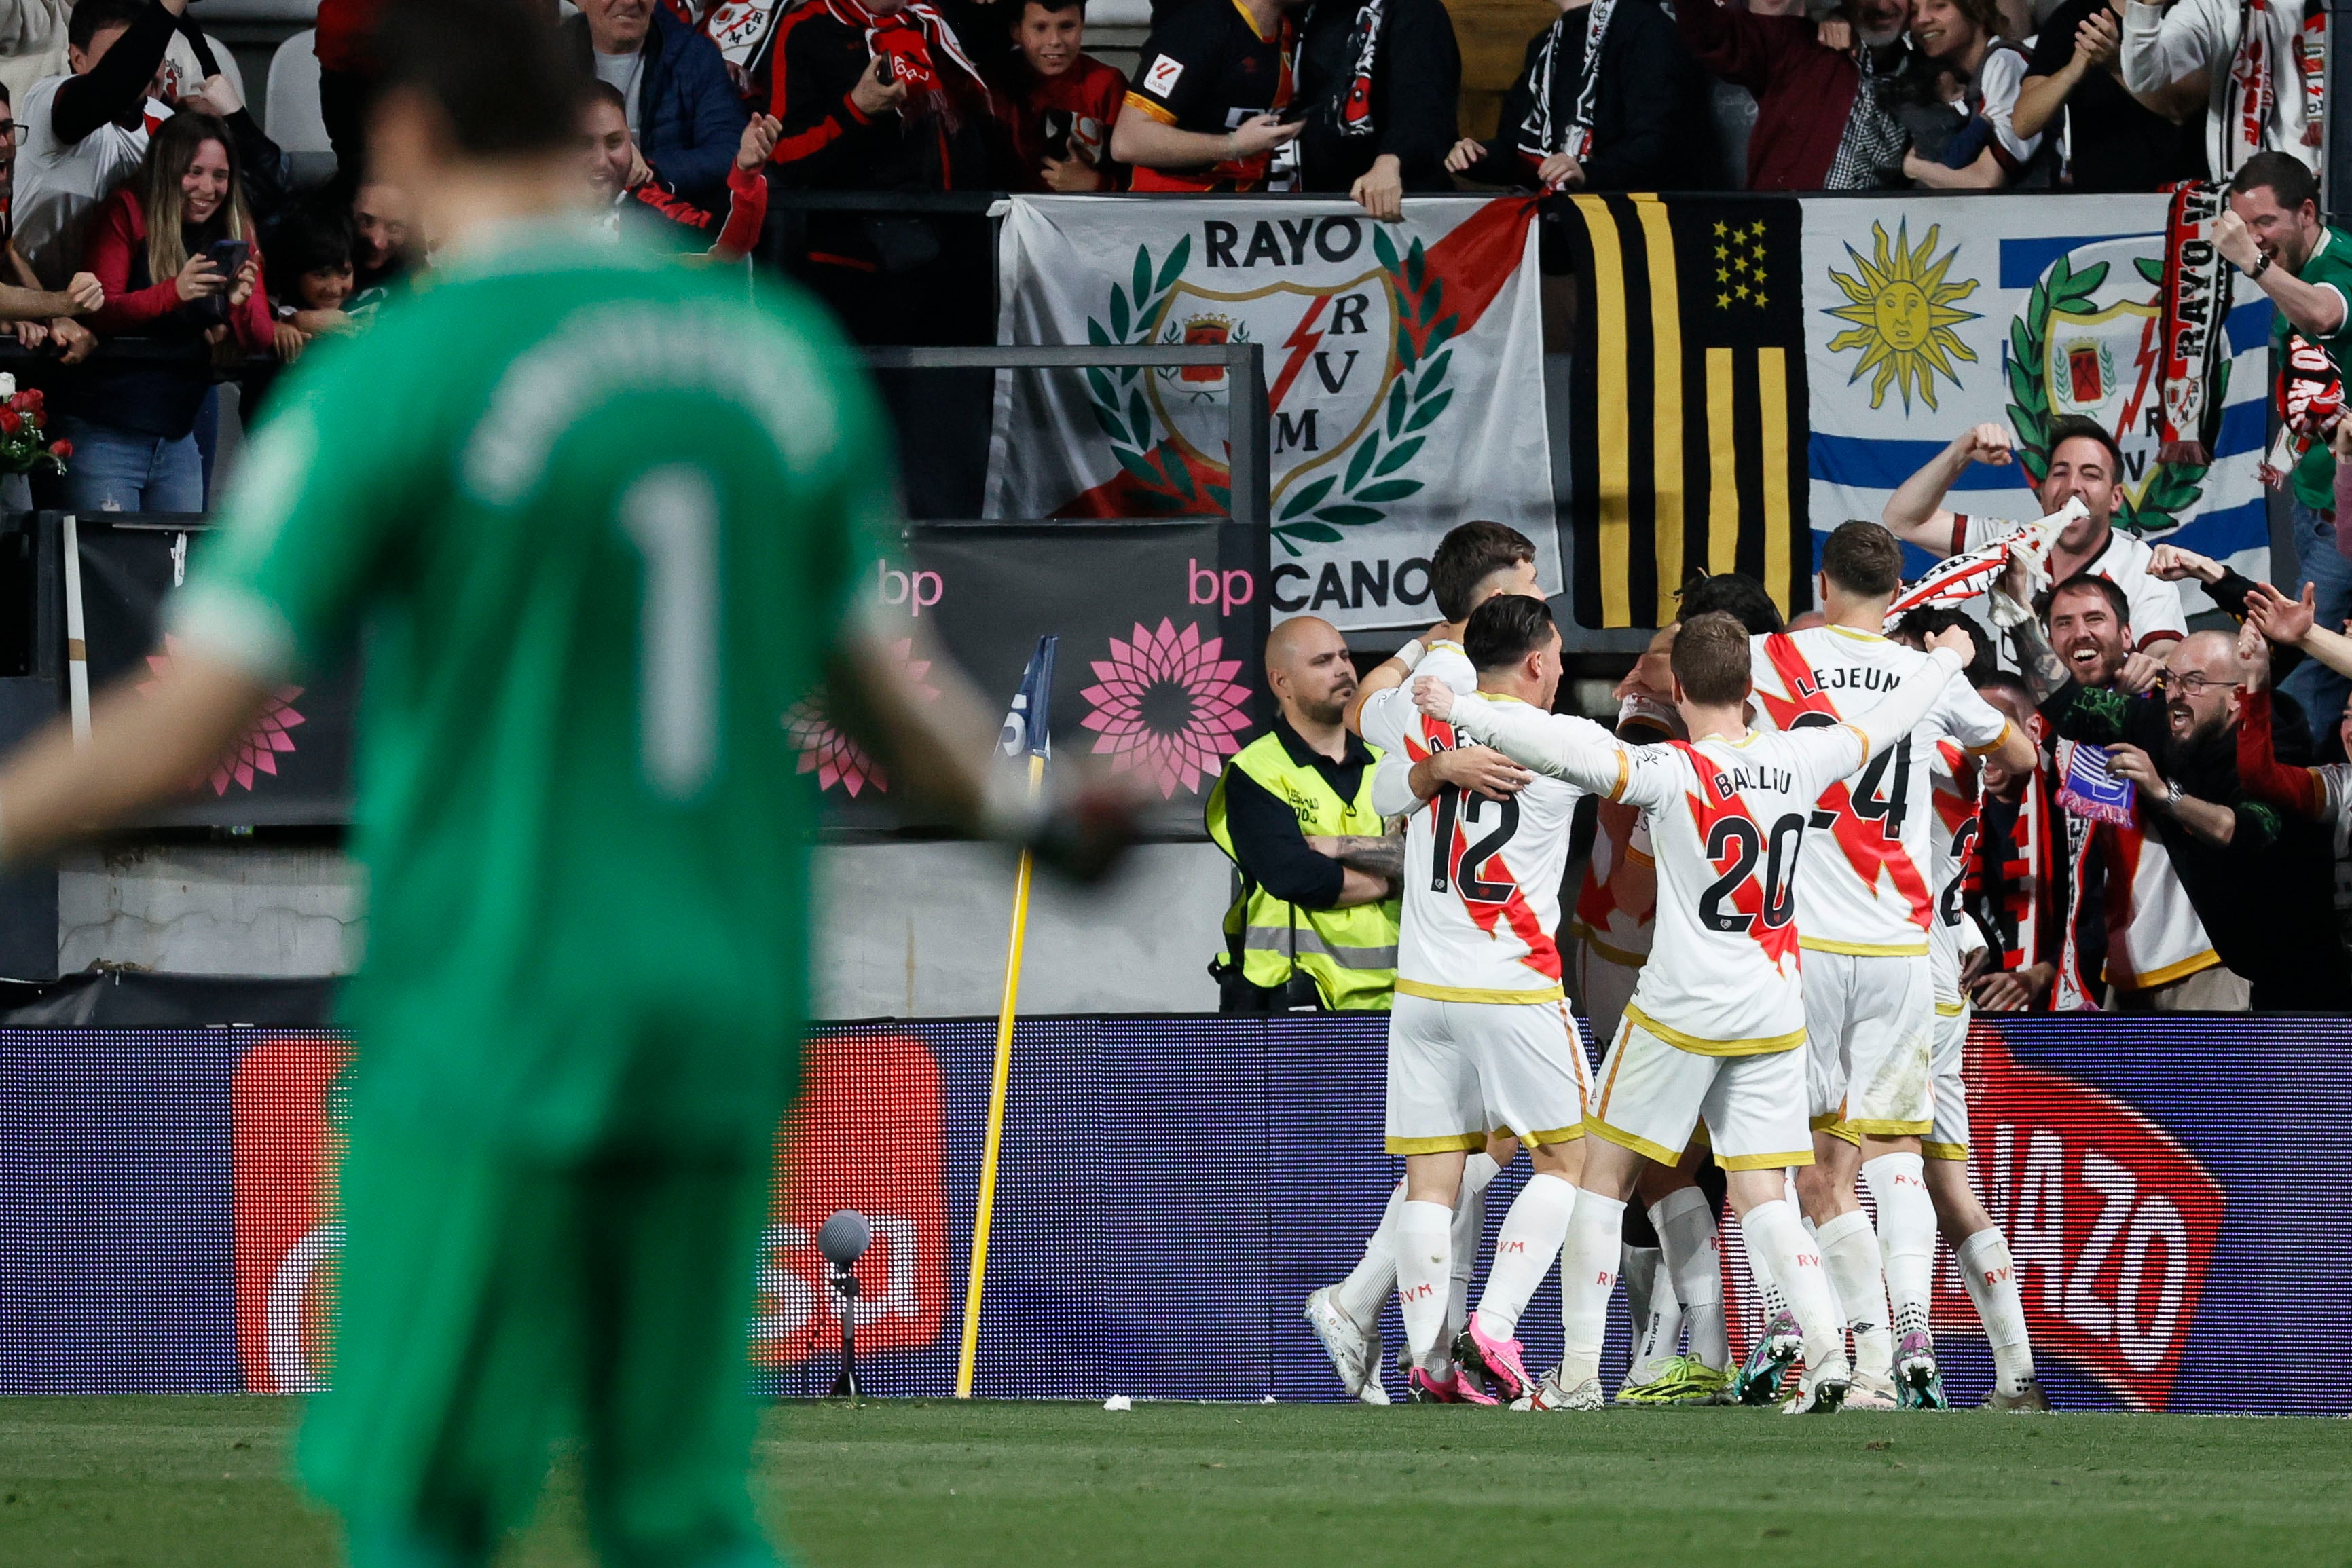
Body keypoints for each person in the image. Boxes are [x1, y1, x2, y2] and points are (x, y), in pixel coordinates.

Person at [0, 3, 1127, 1561]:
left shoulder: (409, 373)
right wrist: (1027, 810)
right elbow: (890, 695)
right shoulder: (770, 359)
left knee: (431, 1495)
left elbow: (196, 718)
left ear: (401, 141)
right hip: (720, 1004)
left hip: (497, 998)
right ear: (578, 127)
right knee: (675, 1504)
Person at [1418, 611, 1981, 1414]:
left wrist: (1460, 709)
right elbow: (1889, 719)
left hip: (1679, 1014)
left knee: (1602, 1182)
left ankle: (1577, 1374)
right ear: (1750, 687)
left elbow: (1560, 751)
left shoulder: (1667, 770)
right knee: (1762, 1194)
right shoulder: (1803, 753)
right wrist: (1947, 660)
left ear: (1676, 688)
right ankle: (1830, 1358)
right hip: (1771, 1014)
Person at [1746, 523, 2033, 1411]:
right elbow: (2019, 755)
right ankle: (1917, 1332)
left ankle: (1856, 1349)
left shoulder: (1774, 659)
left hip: (1811, 947)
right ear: (1898, 582)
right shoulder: (1929, 685)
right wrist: (1958, 699)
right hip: (1912, 949)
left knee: (1819, 1169)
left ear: (1822, 578)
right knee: (1904, 1154)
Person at [1304, 520, 1539, 1404]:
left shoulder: (1420, 683)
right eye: (1531, 577)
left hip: (1439, 943)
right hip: (1488, 944)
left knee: (1460, 1154)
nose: (1545, 594)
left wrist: (1416, 645)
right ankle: (1378, 1312)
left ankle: (1406, 1333)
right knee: (1504, 1145)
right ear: (1501, 593)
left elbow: (1365, 711)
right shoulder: (1488, 684)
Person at [1355, 594, 1594, 1404]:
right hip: (1512, 985)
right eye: (1557, 655)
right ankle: (1491, 1328)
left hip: (1422, 989)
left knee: (1431, 1176)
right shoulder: (1563, 743)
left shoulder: (1423, 724)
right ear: (1535, 663)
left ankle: (1427, 1360)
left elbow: (1383, 775)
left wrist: (1430, 760)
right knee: (1571, 1158)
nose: (1561, 669)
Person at [2010, 598, 2352, 1010]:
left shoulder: (2279, 743)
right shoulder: (2164, 722)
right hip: (2223, 952)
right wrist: (2016, 617)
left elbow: (2243, 829)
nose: (2174, 694)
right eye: (2171, 679)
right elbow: (2071, 707)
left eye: (2193, 681)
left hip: (2297, 982)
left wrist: (2165, 795)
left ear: (2237, 697)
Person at [1886, 610, 2048, 1410]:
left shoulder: (1926, 753)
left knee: (1860, 1162)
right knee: (1949, 1178)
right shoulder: (1947, 757)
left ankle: (1892, 1361)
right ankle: (2017, 1374)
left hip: (1894, 976)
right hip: (1943, 977)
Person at [2026, 572, 2235, 1009]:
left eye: (2094, 618)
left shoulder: (2171, 704)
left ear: (2126, 634)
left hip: (2200, 957)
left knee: (2215, 1081)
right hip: (2114, 969)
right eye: (2063, 624)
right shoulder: (2049, 734)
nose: (2079, 632)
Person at [52, 109, 268, 515]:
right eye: (194, 172)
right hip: (107, 434)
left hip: (178, 438)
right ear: (168, 169)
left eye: (220, 175)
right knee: (108, 572)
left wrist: (236, 308)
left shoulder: (235, 226)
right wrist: (176, 292)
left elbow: (262, 338)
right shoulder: (128, 208)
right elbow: (99, 310)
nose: (208, 188)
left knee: (177, 576)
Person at [2215, 153, 2352, 740]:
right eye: (2245, 227)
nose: (2256, 239)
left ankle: (2290, 799)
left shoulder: (2339, 262)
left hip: (2343, 516)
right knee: (2323, 659)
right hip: (2315, 502)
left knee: (2305, 672)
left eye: (2266, 223)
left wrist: (2251, 262)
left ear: (2306, 212)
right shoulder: (2292, 265)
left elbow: (2323, 316)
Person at [1205, 615, 1402, 1013]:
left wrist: (1332, 848)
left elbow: (1424, 858)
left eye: (1345, 656)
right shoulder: (1256, 771)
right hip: (1293, 1002)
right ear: (1282, 683)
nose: (1343, 669)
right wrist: (1389, 882)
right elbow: (1294, 876)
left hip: (1397, 998)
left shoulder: (1391, 763)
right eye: (1322, 661)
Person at [1882, 415, 2189, 664]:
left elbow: (2165, 653)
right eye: (2060, 473)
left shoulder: (2142, 568)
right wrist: (1961, 451)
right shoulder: (2011, 542)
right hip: (2014, 729)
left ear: (2116, 498)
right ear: (2042, 493)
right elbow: (1905, 519)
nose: (2072, 486)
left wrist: (2154, 664)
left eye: (2091, 475)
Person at [1444, 0, 1715, 193]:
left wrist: (1587, 172)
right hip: (1565, 223)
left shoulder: (1647, 30)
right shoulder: (1547, 44)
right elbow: (1521, 150)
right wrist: (1478, 157)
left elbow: (1660, 145)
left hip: (1638, 229)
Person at [13, 0, 179, 288]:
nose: (142, 66)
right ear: (78, 59)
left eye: (149, 53)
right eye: (121, 55)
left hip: (123, 309)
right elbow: (106, 91)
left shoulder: (165, 122)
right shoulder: (45, 101)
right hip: (33, 309)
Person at [1675, 0, 1913, 191]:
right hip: (1785, 232)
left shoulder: (1926, 78)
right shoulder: (1796, 43)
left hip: (1867, 244)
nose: (1883, 5)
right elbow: (1710, 34)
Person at [766, 0, 998, 191]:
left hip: (962, 222)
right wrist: (856, 109)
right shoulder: (806, 28)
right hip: (860, 233)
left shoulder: (934, 18)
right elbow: (785, 158)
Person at [2239, 580, 2352, 966]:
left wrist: (2306, 636)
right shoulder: (2343, 786)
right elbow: (2260, 778)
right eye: (2348, 716)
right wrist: (2256, 686)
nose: (2350, 730)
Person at [565, 0, 750, 210]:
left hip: (668, 227)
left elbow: (730, 150)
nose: (629, 2)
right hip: (567, 222)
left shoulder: (695, 56)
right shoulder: (547, 60)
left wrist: (651, 171)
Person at [1963, 670, 2076, 1011]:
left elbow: (2096, 908)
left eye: (1997, 730)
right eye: (1972, 730)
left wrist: (2044, 972)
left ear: (2033, 730)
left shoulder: (2070, 805)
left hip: (2060, 1004)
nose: (1983, 745)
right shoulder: (1958, 808)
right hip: (1981, 1006)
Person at [1109, 0, 1304, 193]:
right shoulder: (1198, 28)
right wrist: (1232, 145)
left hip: (1244, 208)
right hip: (1173, 208)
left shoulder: (1290, 30)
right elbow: (1129, 141)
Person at [2120, 0, 2321, 181]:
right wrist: (2146, 9)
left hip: (2336, 185)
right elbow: (2145, 77)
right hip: (2251, 196)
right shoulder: (2216, 6)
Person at [2012, 0, 2201, 191]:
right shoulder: (2075, 17)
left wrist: (2116, 63)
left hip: (2182, 199)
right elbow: (2023, 123)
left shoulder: (2193, 10)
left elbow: (2179, 107)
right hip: (2100, 203)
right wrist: (2071, 72)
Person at [1291, 0, 1456, 216]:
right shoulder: (1308, 9)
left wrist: (1393, 158)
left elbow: (1425, 98)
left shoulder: (1417, 9)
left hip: (1392, 200)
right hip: (1319, 198)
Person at [583, 79, 777, 259]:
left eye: (614, 143)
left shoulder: (647, 207)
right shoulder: (552, 215)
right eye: (584, 144)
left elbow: (728, 247)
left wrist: (746, 174)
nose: (601, 161)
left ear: (631, 146)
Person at [1895, 0, 2051, 189]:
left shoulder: (2005, 62)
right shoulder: (1947, 77)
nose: (1922, 20)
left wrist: (1914, 167)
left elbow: (1986, 181)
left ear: (1977, 11)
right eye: (1914, 11)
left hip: (2029, 214)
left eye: (1939, 5)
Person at [993, 0, 1127, 193]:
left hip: (1086, 215)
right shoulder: (992, 85)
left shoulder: (1106, 83)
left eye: (1067, 27)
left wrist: (1097, 184)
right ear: (1017, 32)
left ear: (1082, 26)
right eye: (1040, 28)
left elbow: (1133, 174)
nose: (1055, 40)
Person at [265, 200, 356, 367]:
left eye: (345, 274)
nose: (335, 289)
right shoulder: (270, 314)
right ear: (295, 273)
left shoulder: (369, 304)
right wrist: (282, 326)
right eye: (321, 275)